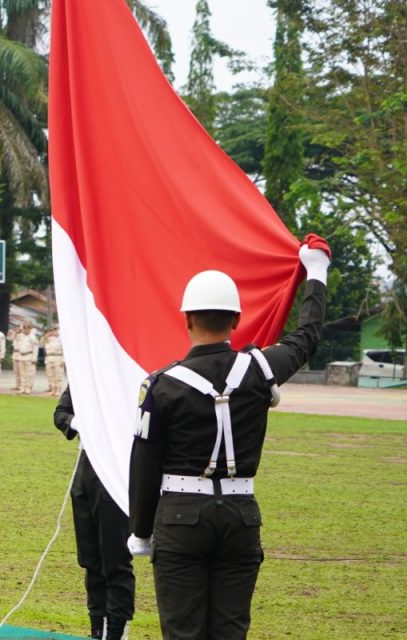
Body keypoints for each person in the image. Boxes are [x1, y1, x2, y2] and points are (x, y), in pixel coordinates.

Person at [128, 237, 331, 640]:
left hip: (182, 516)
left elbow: (144, 464)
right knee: (230, 630)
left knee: (183, 631)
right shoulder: (260, 370)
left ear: (186, 319)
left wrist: (141, 530)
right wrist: (317, 272)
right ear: (236, 320)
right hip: (240, 515)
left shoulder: (161, 385)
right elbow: (306, 336)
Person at [55, 386, 134, 639]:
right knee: (90, 558)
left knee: (115, 558)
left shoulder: (119, 373)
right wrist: (76, 422)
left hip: (115, 470)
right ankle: (96, 625)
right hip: (86, 472)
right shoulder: (83, 376)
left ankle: (116, 629)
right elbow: (60, 414)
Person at [12, 323, 38, 394]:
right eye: (25, 328)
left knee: (29, 374)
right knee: (22, 373)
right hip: (21, 356)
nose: (26, 330)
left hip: (29, 356)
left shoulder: (32, 337)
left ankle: (28, 387)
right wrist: (16, 332)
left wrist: (34, 358)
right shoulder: (21, 336)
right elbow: (12, 338)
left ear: (30, 329)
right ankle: (22, 387)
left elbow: (35, 348)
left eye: (27, 328)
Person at [43, 326, 65, 396]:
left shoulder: (61, 339)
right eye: (52, 331)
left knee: (58, 375)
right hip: (49, 358)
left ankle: (58, 390)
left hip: (58, 357)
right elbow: (41, 343)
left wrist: (63, 360)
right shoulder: (49, 339)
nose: (53, 332)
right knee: (50, 375)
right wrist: (46, 336)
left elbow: (65, 351)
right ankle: (53, 390)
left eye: (55, 330)